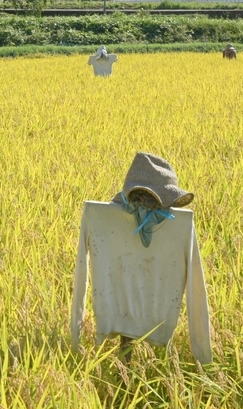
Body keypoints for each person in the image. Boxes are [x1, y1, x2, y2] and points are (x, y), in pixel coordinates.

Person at [70, 152, 212, 364]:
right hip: (138, 318)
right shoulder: (98, 216)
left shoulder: (180, 225)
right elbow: (81, 273)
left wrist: (203, 353)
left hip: (147, 320)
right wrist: (76, 336)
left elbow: (196, 286)